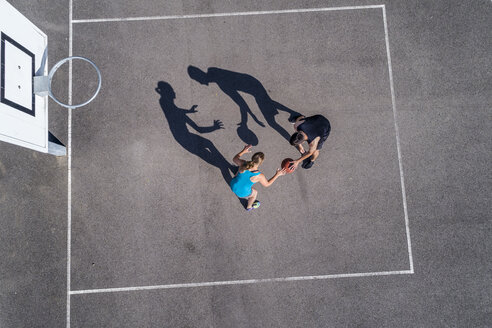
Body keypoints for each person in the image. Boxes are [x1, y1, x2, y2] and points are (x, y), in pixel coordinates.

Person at [230, 145, 286, 211]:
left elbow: (234, 159)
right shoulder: (259, 176)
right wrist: (277, 174)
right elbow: (267, 184)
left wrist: (243, 151)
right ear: (260, 163)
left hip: (233, 185)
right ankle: (249, 206)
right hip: (241, 193)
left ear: (252, 157)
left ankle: (241, 174)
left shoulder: (243, 163)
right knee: (255, 193)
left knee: (240, 170)